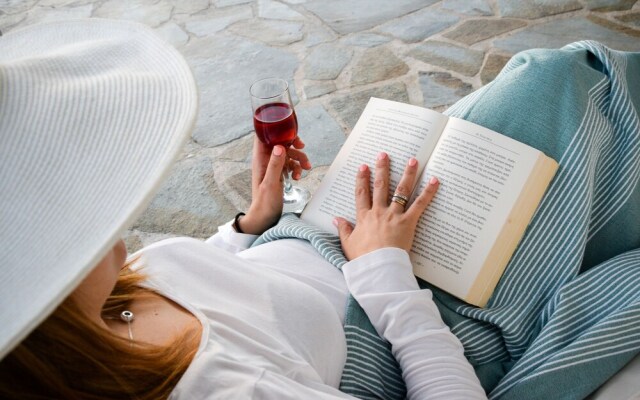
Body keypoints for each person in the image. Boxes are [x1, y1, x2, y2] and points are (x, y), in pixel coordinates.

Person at [1, 19, 639, 400]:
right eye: (70, 216)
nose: (111, 211)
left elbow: (223, 290)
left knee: (547, 84)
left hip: (339, 240)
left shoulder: (100, 307)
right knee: (568, 84)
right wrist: (385, 269)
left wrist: (253, 223)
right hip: (413, 298)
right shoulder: (233, 391)